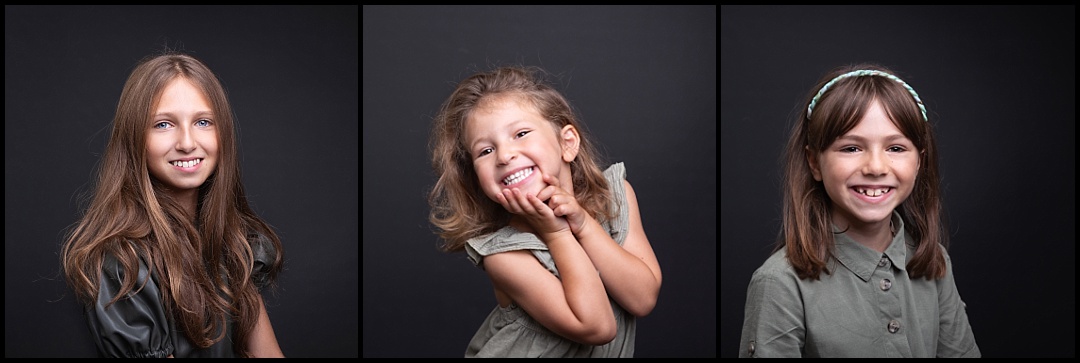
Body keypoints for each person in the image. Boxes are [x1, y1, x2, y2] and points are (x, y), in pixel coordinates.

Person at [738, 64, 980, 358]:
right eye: (851, 148)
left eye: (896, 148)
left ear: (919, 162)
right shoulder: (779, 283)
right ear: (814, 162)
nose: (876, 167)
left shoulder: (934, 262)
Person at [60, 51, 286, 358]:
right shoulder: (122, 264)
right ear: (135, 138)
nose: (187, 142)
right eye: (164, 125)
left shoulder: (236, 244)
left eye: (203, 122)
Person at [427, 66, 662, 357]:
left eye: (521, 133)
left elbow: (643, 298)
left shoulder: (613, 198)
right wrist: (558, 233)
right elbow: (597, 327)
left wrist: (585, 225)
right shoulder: (504, 255)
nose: (505, 155)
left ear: (567, 143)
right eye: (485, 151)